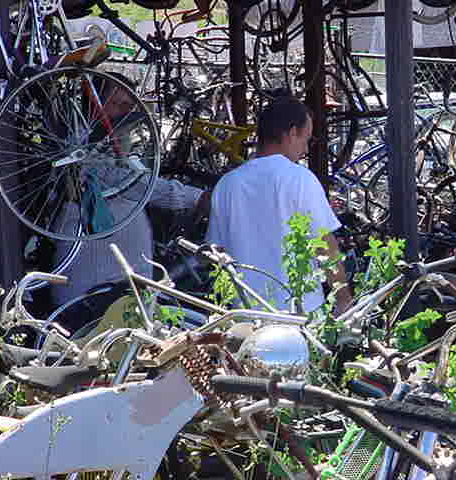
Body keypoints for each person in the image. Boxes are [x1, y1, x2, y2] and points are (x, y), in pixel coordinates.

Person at [50, 72, 209, 332]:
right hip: (92, 292)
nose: (126, 113)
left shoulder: (115, 145)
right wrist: (195, 197)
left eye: (130, 106)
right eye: (118, 104)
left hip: (121, 291)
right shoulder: (78, 145)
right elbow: (131, 182)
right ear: (94, 103)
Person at [206, 96, 353, 314]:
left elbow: (217, 253)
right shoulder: (299, 178)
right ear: (292, 132)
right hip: (300, 314)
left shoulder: (227, 184)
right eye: (306, 139)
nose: (304, 149)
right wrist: (343, 300)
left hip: (247, 315)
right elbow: (323, 244)